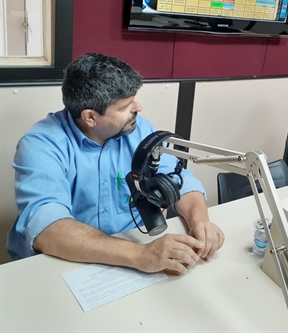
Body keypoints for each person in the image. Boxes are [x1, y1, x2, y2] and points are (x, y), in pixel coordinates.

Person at [6, 53, 224, 275]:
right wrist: (140, 255)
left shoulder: (138, 129)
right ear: (90, 117)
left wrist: (200, 221)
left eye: (134, 99)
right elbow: (49, 228)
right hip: (68, 258)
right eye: (125, 106)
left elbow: (178, 178)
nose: (138, 107)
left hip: (132, 248)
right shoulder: (41, 145)